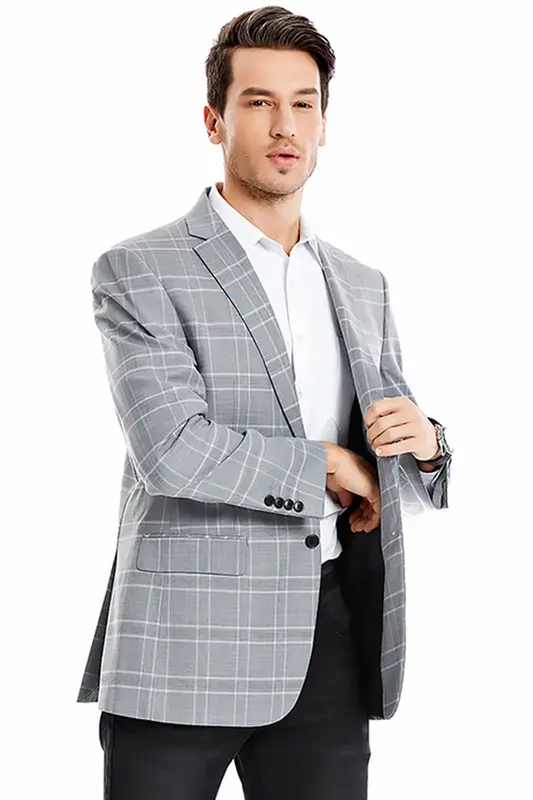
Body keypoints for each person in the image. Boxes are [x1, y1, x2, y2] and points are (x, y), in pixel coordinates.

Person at [77, 6, 452, 799]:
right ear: (213, 120)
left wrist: (427, 446)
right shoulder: (141, 269)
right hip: (184, 641)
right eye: (258, 102)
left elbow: (391, 455)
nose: (285, 125)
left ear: (323, 124)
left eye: (303, 103)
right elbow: (171, 449)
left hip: (328, 639)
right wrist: (333, 466)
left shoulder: (361, 283)